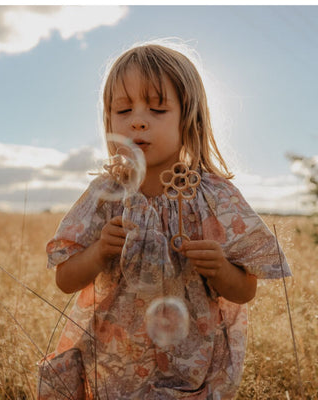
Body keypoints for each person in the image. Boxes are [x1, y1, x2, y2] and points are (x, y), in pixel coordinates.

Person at [37, 40, 291, 400]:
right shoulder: (106, 195)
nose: (138, 120)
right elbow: (65, 279)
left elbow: (245, 290)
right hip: (115, 365)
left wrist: (220, 267)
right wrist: (98, 252)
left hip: (191, 365)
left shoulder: (212, 197)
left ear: (189, 118)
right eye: (123, 110)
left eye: (157, 109)